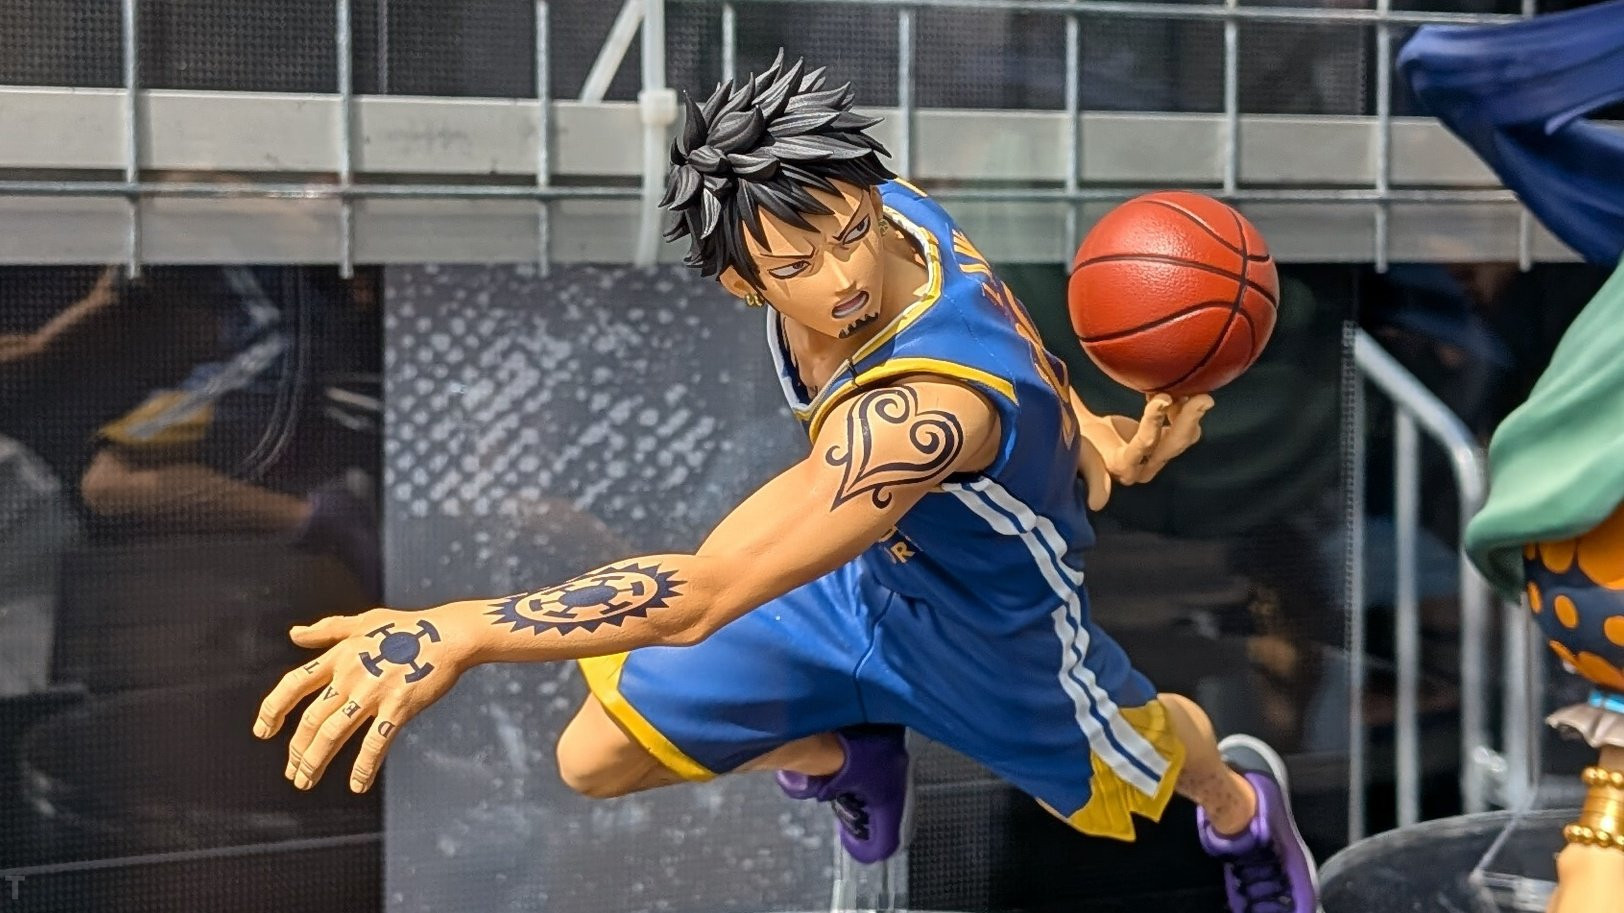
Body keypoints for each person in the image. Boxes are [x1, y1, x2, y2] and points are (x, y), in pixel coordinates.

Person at [251, 52, 1318, 913]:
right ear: (740, 280)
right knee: (594, 757)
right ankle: (849, 754)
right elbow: (1017, 339)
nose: (846, 275)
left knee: (1139, 774)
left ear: (872, 203)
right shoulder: (877, 210)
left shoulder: (920, 412)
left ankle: (1243, 808)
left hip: (993, 629)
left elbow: (708, 589)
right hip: (852, 580)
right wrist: (1092, 432)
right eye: (800, 264)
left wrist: (464, 628)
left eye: (852, 236)